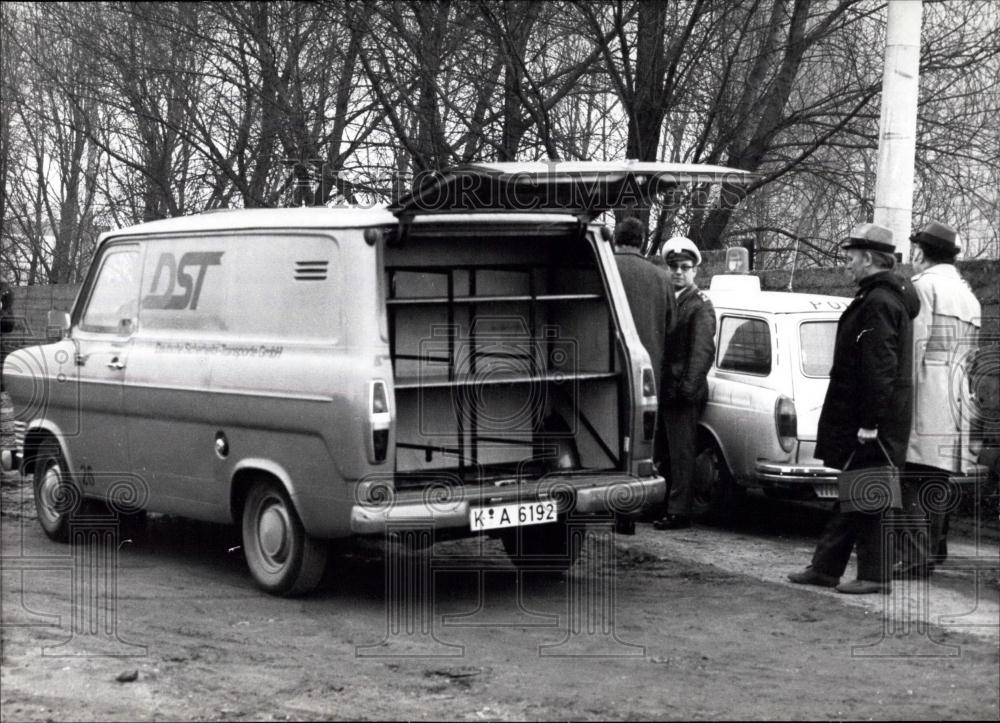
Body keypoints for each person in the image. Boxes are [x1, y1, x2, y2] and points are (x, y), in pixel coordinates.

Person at [788, 222, 920, 594]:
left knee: (869, 494)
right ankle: (826, 568)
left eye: (850, 258)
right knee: (857, 492)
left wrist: (869, 422)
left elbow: (879, 365)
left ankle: (874, 577)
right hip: (877, 416)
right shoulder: (882, 297)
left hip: (874, 420)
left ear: (866, 258)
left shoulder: (879, 301)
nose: (847, 264)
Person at [895, 221, 981, 578]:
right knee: (936, 479)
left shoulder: (923, 288)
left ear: (920, 252)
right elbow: (972, 357)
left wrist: (897, 401)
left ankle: (916, 558)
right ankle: (933, 550)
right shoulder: (969, 296)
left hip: (925, 391)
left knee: (912, 477)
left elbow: (914, 349)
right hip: (955, 393)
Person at [612, 217, 676, 534]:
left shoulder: (605, 268)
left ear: (617, 239)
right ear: (641, 241)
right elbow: (671, 325)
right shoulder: (661, 277)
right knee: (637, 444)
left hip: (607, 370)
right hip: (647, 376)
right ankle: (628, 514)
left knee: (608, 439)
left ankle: (610, 510)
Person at [653, 236, 716, 531]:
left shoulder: (700, 305)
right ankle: (663, 505)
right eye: (673, 266)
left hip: (682, 392)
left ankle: (679, 512)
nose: (678, 271)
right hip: (665, 389)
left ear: (695, 271)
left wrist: (687, 389)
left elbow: (702, 351)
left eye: (684, 267)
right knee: (663, 452)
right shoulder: (669, 300)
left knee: (681, 454)